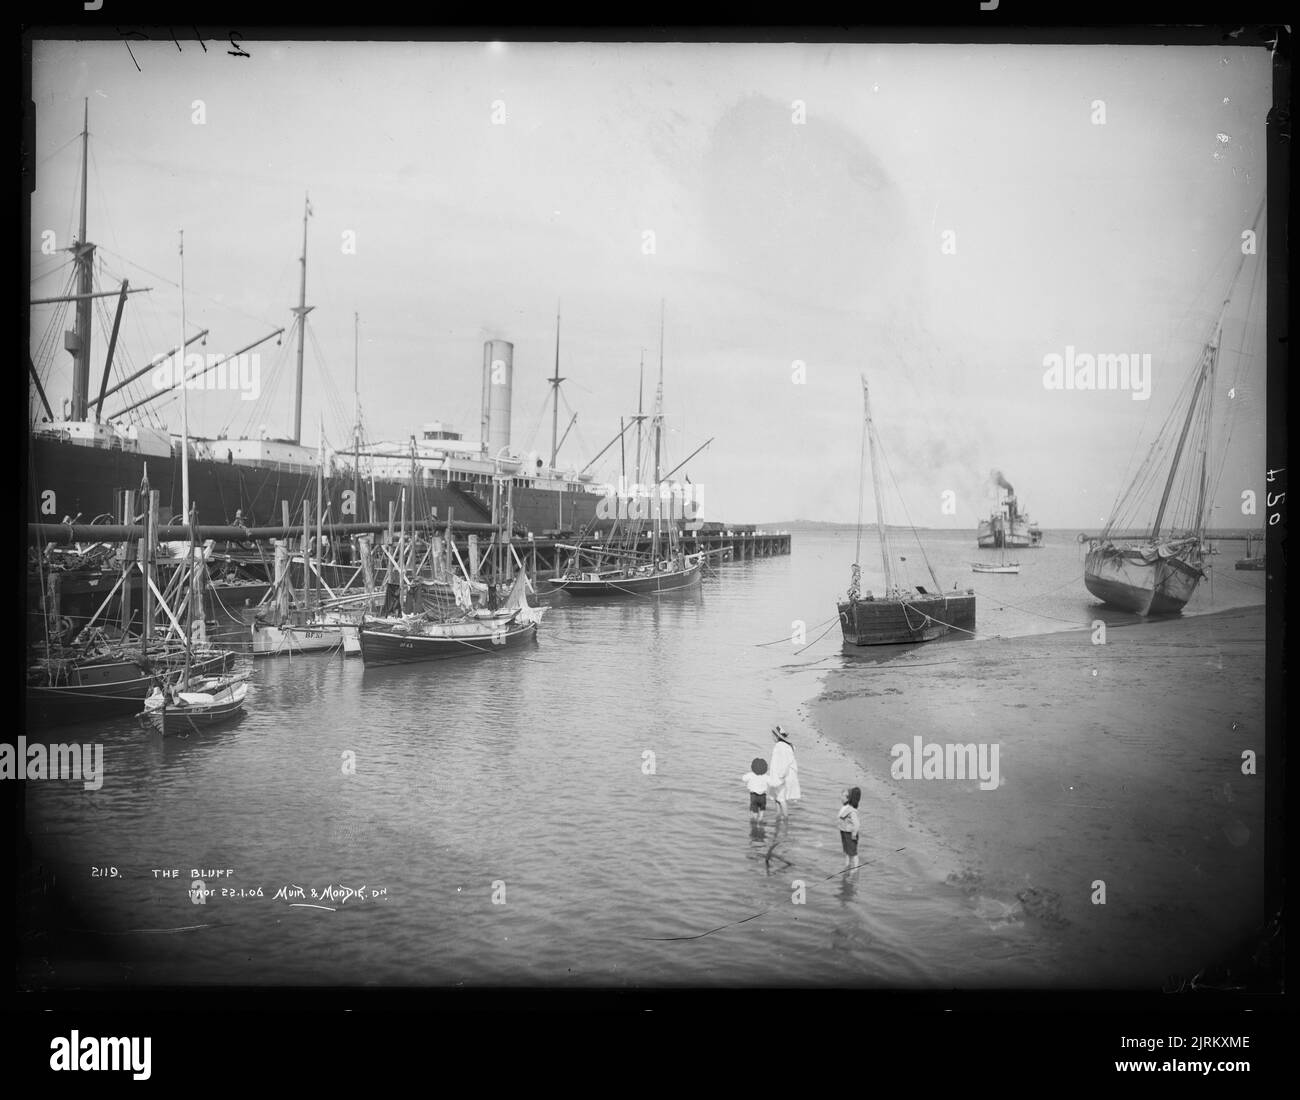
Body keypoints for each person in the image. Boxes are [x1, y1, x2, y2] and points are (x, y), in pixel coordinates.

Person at [768, 725, 801, 819]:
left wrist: (780, 776)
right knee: (777, 797)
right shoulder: (786, 746)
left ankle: (785, 819)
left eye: (773, 735)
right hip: (784, 776)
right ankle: (778, 816)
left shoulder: (779, 747)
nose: (772, 737)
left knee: (781, 799)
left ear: (777, 736)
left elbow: (784, 763)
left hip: (781, 776)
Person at [838, 787, 861, 871]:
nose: (841, 797)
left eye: (843, 796)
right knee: (847, 852)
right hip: (844, 832)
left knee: (853, 853)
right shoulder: (846, 808)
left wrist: (854, 834)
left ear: (848, 799)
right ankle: (847, 865)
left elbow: (857, 824)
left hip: (851, 834)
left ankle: (855, 869)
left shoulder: (852, 811)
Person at [742, 757, 770, 823]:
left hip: (753, 795)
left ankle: (755, 818)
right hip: (763, 795)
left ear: (753, 767)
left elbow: (743, 778)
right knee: (762, 807)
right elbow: (772, 782)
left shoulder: (751, 775)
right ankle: (761, 818)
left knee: (754, 807)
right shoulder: (766, 776)